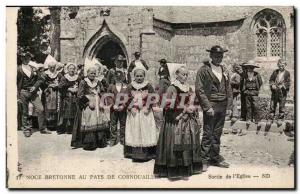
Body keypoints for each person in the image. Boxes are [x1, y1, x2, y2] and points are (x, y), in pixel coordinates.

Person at [154, 66, 202, 180]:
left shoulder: (188, 88)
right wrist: (184, 109)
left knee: (186, 143)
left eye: (186, 75)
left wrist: (192, 107)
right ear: (177, 74)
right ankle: (174, 170)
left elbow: (194, 101)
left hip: (186, 119)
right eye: (182, 74)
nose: (185, 77)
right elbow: (167, 105)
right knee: (174, 143)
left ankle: (185, 168)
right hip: (175, 119)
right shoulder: (172, 88)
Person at [195, 45, 233, 170]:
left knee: (217, 133)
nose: (218, 58)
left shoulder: (225, 70)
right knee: (208, 133)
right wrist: (207, 107)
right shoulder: (203, 70)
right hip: (211, 105)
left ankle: (215, 157)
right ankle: (204, 159)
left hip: (222, 105)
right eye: (216, 56)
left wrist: (229, 107)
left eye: (221, 56)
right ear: (211, 56)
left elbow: (229, 89)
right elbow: (199, 90)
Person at [71, 66, 109, 150]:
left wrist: (101, 100)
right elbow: (80, 95)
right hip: (88, 105)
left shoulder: (98, 82)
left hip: (97, 104)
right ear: (87, 73)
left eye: (94, 73)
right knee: (89, 121)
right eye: (91, 73)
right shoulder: (83, 82)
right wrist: (88, 103)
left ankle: (99, 141)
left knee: (99, 120)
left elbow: (102, 92)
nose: (93, 75)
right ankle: (90, 143)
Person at [124, 66, 158, 161]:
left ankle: (147, 153)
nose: (139, 78)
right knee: (134, 130)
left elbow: (153, 97)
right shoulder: (130, 86)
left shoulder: (148, 85)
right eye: (137, 76)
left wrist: (147, 106)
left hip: (145, 112)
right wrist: (131, 107)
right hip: (134, 112)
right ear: (134, 76)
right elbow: (125, 98)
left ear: (144, 76)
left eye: (141, 76)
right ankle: (134, 153)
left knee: (145, 130)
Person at [17, 51, 51, 137]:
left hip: (33, 92)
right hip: (23, 92)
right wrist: (17, 95)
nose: (27, 59)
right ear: (21, 58)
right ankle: (26, 129)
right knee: (25, 111)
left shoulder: (33, 68)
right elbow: (15, 82)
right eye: (25, 57)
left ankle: (42, 128)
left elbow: (40, 79)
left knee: (40, 109)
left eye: (28, 57)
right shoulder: (18, 69)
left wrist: (35, 87)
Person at [57, 63, 81, 134]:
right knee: (65, 112)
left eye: (73, 69)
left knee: (75, 112)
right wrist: (69, 89)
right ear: (67, 69)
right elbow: (60, 87)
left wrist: (77, 89)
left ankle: (72, 128)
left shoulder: (78, 77)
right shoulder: (64, 77)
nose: (72, 70)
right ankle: (64, 128)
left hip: (75, 97)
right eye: (70, 68)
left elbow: (81, 86)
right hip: (66, 98)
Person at [107, 70, 128, 146]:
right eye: (116, 76)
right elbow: (109, 96)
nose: (118, 78)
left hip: (122, 108)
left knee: (123, 123)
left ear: (123, 77)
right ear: (114, 77)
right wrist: (113, 105)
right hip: (113, 108)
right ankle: (113, 139)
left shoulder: (126, 86)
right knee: (113, 124)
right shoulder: (111, 86)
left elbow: (127, 97)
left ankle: (123, 139)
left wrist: (123, 105)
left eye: (120, 76)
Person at [41, 61, 63, 130]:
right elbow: (41, 83)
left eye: (54, 67)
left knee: (56, 108)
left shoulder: (58, 74)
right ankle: (48, 125)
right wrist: (48, 85)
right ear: (48, 67)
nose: (52, 68)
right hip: (48, 93)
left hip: (56, 93)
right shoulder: (45, 74)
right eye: (51, 67)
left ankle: (55, 125)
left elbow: (62, 82)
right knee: (47, 108)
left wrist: (57, 85)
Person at [241, 60, 263, 126]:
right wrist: (245, 90)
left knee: (256, 106)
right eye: (249, 67)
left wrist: (256, 89)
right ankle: (248, 119)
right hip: (247, 92)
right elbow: (243, 83)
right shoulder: (245, 75)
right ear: (247, 67)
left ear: (253, 68)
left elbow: (260, 82)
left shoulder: (257, 74)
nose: (250, 68)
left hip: (254, 92)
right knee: (248, 106)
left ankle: (257, 120)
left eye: (251, 67)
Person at [230, 63, 244, 135]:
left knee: (235, 103)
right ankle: (232, 114)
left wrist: (230, 82)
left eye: (233, 68)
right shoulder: (233, 74)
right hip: (232, 91)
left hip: (235, 91)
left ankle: (235, 115)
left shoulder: (237, 75)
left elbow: (238, 83)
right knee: (232, 103)